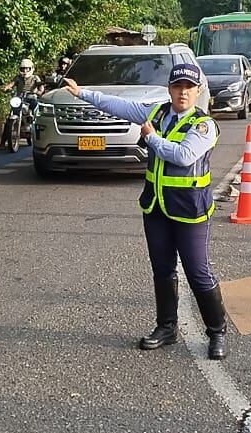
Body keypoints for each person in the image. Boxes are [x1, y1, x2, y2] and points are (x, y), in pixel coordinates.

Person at [61, 63, 229, 360]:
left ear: (198, 91)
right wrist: (82, 93)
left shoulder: (204, 125)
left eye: (188, 88)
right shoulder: (158, 113)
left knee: (198, 272)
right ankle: (166, 327)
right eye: (177, 87)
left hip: (190, 210)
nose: (183, 93)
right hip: (156, 207)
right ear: (170, 89)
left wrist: (150, 138)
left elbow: (183, 156)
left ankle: (216, 332)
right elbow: (120, 107)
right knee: (162, 269)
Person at [0, 58, 44, 148]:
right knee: (9, 120)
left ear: (31, 68)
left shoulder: (35, 78)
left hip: (31, 98)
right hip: (19, 99)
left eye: (27, 68)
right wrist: (6, 88)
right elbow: (11, 84)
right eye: (23, 68)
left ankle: (35, 129)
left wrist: (39, 92)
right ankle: (3, 143)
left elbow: (40, 87)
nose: (25, 70)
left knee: (37, 111)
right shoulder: (18, 78)